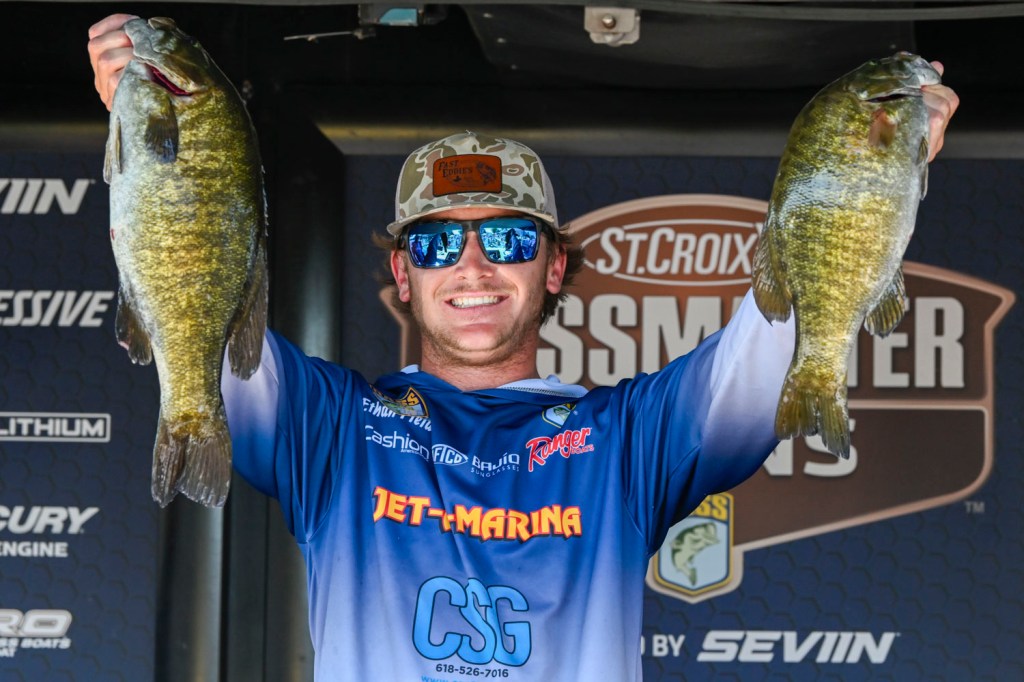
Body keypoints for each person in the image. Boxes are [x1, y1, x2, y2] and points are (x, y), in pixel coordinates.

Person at [88, 14, 960, 681]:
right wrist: (153, 137)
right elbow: (195, 313)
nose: (471, 266)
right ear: (402, 274)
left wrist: (874, 172)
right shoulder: (334, 429)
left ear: (554, 267)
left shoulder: (627, 440)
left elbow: (783, 340)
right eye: (437, 243)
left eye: (507, 240)